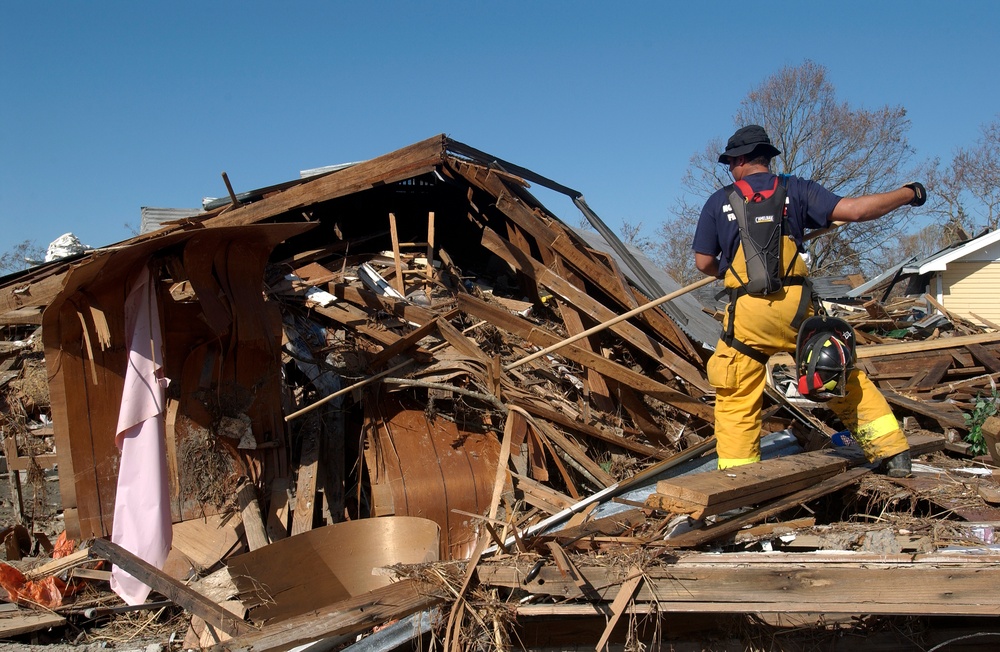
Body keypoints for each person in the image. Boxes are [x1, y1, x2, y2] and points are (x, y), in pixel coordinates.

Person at [692, 124, 926, 477]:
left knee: (736, 394)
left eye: (730, 163)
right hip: (797, 309)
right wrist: (908, 193)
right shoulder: (796, 190)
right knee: (836, 372)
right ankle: (894, 454)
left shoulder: (718, 201)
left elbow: (703, 262)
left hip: (748, 313)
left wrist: (730, 269)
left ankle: (737, 482)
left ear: (740, 161)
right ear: (766, 158)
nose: (730, 170)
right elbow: (858, 211)